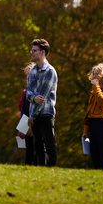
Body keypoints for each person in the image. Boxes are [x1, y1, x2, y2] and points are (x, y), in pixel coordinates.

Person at [26, 38, 58, 166]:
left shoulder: (50, 71)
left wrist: (32, 115)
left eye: (34, 50)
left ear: (42, 52)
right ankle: (41, 169)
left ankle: (51, 168)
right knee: (37, 144)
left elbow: (42, 97)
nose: (31, 53)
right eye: (31, 50)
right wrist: (33, 99)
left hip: (46, 113)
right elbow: (29, 93)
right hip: (34, 114)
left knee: (49, 143)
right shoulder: (32, 71)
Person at [83, 63, 103, 170]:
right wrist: (85, 131)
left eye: (98, 74)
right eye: (94, 73)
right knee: (95, 153)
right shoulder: (95, 89)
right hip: (93, 123)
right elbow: (89, 112)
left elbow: (102, 102)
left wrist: (96, 86)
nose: (95, 76)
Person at [17, 63, 36, 165]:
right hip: (26, 123)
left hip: (36, 124)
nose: (28, 78)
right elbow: (24, 110)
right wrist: (22, 128)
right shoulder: (26, 92)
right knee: (29, 150)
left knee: (37, 150)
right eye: (27, 75)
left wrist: (30, 126)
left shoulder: (38, 91)